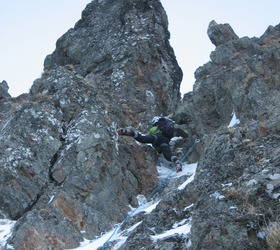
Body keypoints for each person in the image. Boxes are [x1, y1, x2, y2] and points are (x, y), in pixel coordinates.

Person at [118, 117, 183, 172]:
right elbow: (161, 147)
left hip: (156, 138)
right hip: (164, 140)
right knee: (168, 155)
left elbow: (153, 141)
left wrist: (157, 148)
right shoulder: (164, 129)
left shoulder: (153, 128)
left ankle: (130, 132)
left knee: (142, 139)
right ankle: (177, 162)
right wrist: (160, 149)